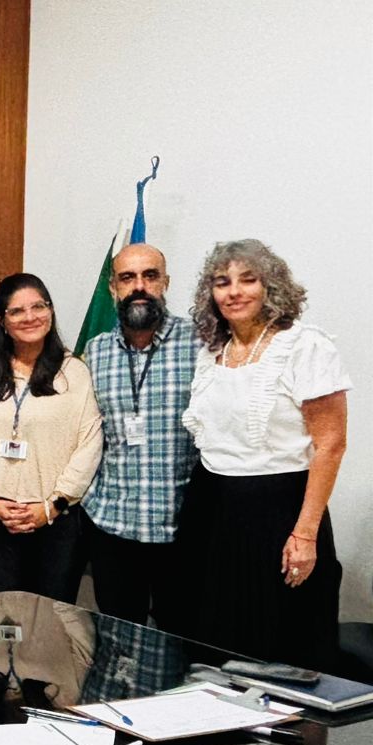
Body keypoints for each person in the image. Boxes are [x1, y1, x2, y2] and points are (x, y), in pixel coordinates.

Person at [175, 239, 350, 668]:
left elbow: (330, 444)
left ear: (271, 286)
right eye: (222, 282)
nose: (234, 291)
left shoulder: (304, 347)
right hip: (212, 509)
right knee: (213, 641)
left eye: (247, 280)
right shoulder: (212, 352)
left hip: (279, 512)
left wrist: (304, 534)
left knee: (279, 644)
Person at [0, 273, 102, 602]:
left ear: (50, 311)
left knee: (52, 615)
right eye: (17, 311)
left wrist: (53, 505)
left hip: (59, 520)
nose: (30, 316)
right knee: (7, 616)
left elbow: (90, 443)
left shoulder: (73, 372)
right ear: (1, 321)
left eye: (38, 306)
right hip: (0, 518)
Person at [80, 244, 198, 624]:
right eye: (127, 278)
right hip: (113, 524)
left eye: (150, 275)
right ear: (113, 287)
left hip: (180, 528)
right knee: (118, 634)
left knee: (181, 634)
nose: (139, 287)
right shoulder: (95, 353)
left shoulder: (201, 344)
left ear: (166, 282)